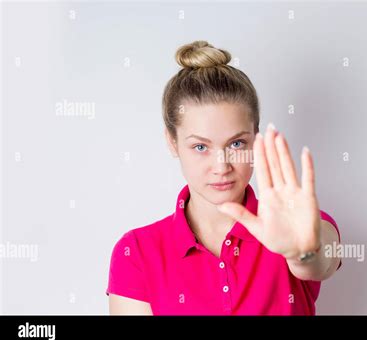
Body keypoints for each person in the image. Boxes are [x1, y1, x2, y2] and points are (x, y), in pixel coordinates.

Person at [106, 40, 342, 315]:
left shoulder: (301, 225)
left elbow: (319, 261)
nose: (222, 166)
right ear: (172, 142)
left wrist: (301, 253)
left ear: (256, 138)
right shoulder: (136, 253)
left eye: (237, 144)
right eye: (200, 147)